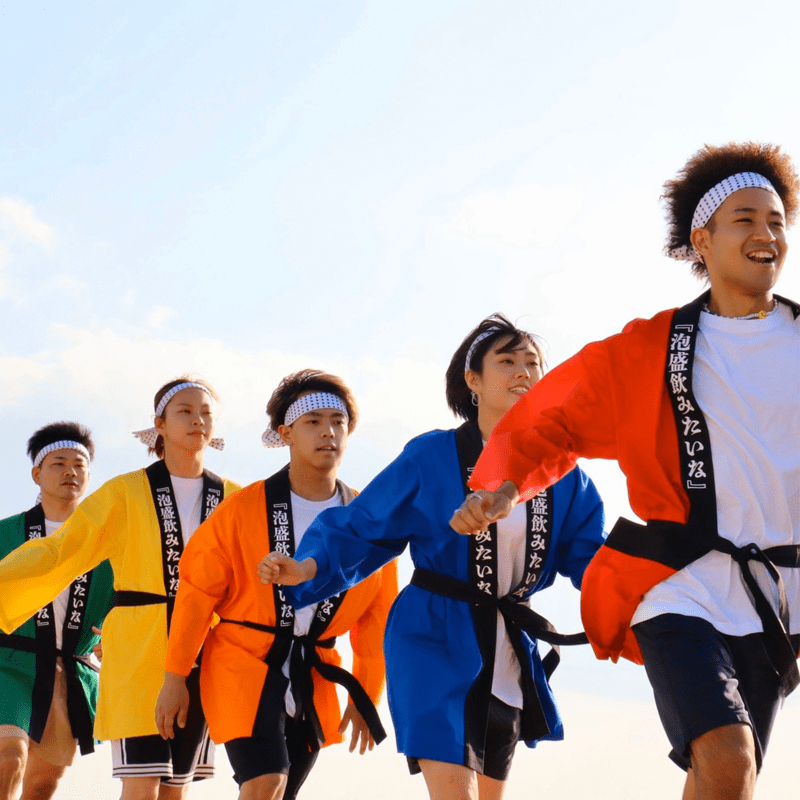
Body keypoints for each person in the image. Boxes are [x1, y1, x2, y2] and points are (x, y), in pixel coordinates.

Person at [452, 143, 800, 800]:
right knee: (729, 760)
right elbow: (553, 420)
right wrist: (503, 488)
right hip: (679, 586)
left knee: (727, 779)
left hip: (777, 599)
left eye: (777, 222)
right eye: (745, 219)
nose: (766, 234)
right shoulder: (648, 350)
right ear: (703, 239)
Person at [258, 317, 606, 800]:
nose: (523, 372)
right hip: (432, 637)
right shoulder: (431, 456)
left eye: (533, 363)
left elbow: (593, 560)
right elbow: (365, 524)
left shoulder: (565, 475)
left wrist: (645, 600)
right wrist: (308, 567)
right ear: (473, 380)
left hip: (508, 648)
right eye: (507, 361)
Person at [155, 369, 397, 800]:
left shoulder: (367, 521)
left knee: (281, 793)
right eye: (313, 422)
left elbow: (378, 619)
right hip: (241, 661)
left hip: (312, 671)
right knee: (267, 781)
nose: (328, 432)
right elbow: (197, 593)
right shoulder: (241, 509)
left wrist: (366, 692)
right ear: (285, 433)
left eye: (338, 422)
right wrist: (176, 676)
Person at [0, 378, 240, 800]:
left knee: (174, 789)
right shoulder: (123, 493)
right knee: (140, 783)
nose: (197, 420)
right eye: (184, 411)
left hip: (204, 650)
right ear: (159, 424)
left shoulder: (234, 498)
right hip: (138, 652)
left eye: (205, 412)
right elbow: (60, 551)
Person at [0, 422, 114, 800]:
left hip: (70, 669)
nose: (70, 472)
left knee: (42, 785)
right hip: (10, 661)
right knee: (8, 757)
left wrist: (115, 635)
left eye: (79, 465)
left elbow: (125, 601)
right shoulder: (6, 533)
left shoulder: (107, 544)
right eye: (59, 463)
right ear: (37, 474)